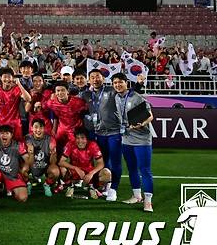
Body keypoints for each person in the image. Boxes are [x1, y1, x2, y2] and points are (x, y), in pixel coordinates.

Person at [80, 70, 145, 202]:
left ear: (103, 78)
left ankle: (114, 189)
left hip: (114, 132)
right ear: (89, 80)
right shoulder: (86, 94)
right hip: (98, 133)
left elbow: (129, 93)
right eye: (92, 77)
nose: (95, 79)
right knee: (103, 162)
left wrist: (138, 84)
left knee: (115, 162)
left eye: (98, 77)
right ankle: (107, 185)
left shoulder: (111, 90)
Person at [113, 74, 155, 212]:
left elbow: (150, 116)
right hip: (126, 138)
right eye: (115, 83)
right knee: (132, 169)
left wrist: (141, 124)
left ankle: (148, 201)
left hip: (142, 139)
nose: (118, 85)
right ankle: (137, 196)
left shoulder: (136, 97)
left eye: (120, 82)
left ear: (126, 83)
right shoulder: (116, 97)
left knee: (145, 170)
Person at [59, 127, 112, 200]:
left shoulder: (93, 145)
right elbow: (61, 162)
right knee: (62, 169)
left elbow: (101, 163)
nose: (80, 141)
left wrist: (91, 173)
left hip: (89, 172)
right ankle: (70, 185)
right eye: (77, 138)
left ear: (87, 139)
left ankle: (98, 188)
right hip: (75, 172)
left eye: (83, 138)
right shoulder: (70, 144)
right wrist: (75, 168)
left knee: (107, 173)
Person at [35, 81, 87, 155]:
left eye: (63, 90)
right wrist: (38, 105)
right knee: (55, 144)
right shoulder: (51, 103)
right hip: (62, 128)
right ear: (55, 93)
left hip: (75, 128)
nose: (60, 93)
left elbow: (87, 110)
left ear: (67, 91)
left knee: (76, 148)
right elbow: (43, 106)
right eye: (58, 91)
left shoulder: (78, 102)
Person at [0, 125, 30, 203]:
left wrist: (30, 154)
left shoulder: (18, 145)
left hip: (13, 176)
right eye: (2, 133)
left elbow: (28, 161)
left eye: (7, 133)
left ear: (11, 135)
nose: (4, 135)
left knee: (22, 198)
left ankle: (7, 188)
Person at [0, 68, 32, 142]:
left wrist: (19, 84)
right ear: (0, 78)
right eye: (5, 77)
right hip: (1, 123)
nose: (7, 79)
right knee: (2, 146)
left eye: (9, 77)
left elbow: (28, 99)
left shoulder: (17, 89)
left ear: (13, 78)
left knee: (17, 147)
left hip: (15, 124)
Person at [24, 119, 59, 197]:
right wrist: (31, 153)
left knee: (55, 171)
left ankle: (47, 184)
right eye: (36, 127)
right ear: (31, 128)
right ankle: (28, 183)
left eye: (41, 127)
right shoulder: (27, 139)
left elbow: (53, 163)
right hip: (31, 167)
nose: (38, 130)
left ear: (44, 128)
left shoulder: (51, 140)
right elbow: (28, 163)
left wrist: (53, 153)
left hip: (45, 168)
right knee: (23, 169)